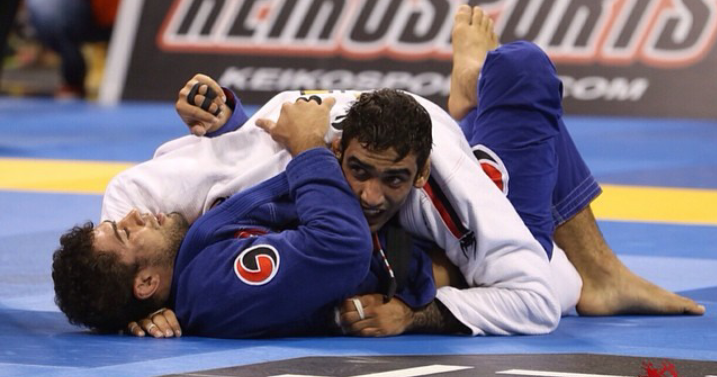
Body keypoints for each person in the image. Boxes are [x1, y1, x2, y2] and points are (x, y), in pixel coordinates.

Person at [336, 5, 704, 337]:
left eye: (391, 178)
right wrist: (414, 310)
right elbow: (537, 298)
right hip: (516, 265)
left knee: (521, 76)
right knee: (522, 74)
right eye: (360, 173)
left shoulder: (315, 145)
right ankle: (475, 94)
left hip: (455, 192)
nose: (370, 194)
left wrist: (413, 314)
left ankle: (475, 95)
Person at [52, 94, 439, 337]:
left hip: (399, 231)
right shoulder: (215, 286)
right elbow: (339, 247)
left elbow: (245, 174)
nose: (134, 216)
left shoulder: (198, 265)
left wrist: (233, 124)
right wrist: (307, 147)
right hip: (412, 251)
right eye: (124, 233)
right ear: (148, 282)